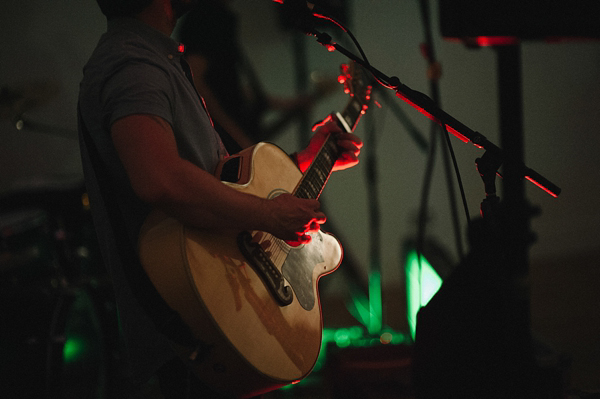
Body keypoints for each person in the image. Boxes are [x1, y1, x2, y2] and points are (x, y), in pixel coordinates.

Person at [77, 0, 362, 397]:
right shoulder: (133, 65)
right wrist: (268, 215)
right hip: (192, 323)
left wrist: (307, 160)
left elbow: (216, 181)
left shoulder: (158, 56)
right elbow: (159, 180)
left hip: (214, 311)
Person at [176, 0, 316, 153]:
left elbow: (227, 85)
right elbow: (195, 81)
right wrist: (239, 138)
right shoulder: (208, 17)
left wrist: (289, 104)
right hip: (221, 148)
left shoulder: (218, 17)